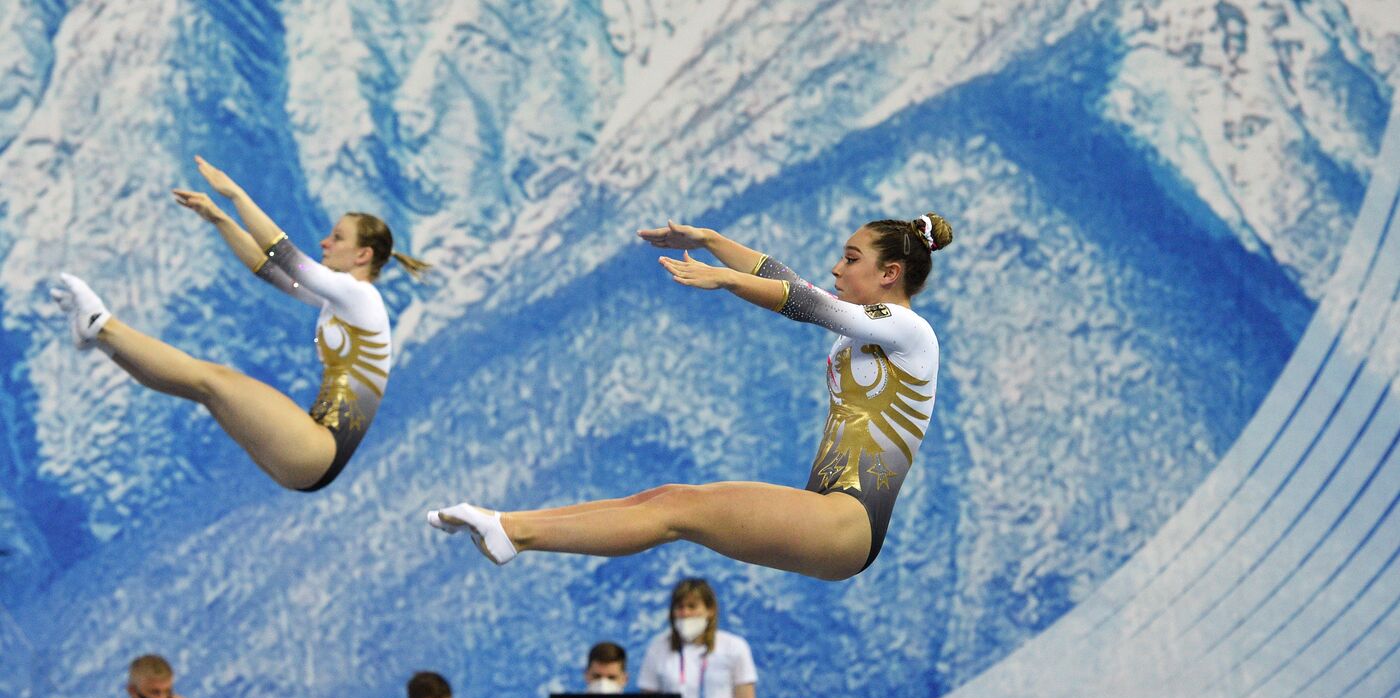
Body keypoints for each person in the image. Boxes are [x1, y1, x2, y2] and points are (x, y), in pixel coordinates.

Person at [428, 214, 950, 580]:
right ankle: (511, 527)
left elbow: (811, 304)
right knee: (662, 498)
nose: (837, 268)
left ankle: (515, 531)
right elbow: (787, 278)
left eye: (850, 258)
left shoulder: (909, 329)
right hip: (828, 514)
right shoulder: (871, 331)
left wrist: (723, 278)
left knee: (678, 508)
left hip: (847, 521)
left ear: (889, 274)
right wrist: (708, 238)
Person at [50, 155, 427, 492]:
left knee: (213, 379)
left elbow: (286, 256)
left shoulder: (359, 296)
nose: (326, 242)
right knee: (201, 387)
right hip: (309, 456)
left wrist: (235, 194)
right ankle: (104, 339)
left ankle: (101, 324)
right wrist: (218, 219)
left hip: (317, 448)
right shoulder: (341, 301)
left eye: (337, 237)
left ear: (362, 255)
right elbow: (268, 269)